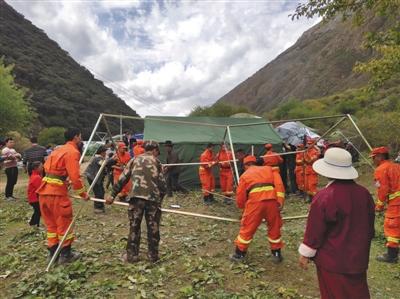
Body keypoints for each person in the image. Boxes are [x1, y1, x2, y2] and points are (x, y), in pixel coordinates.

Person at [298, 148, 375, 299]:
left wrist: (305, 253)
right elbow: (369, 227)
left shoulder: (325, 196)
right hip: (358, 258)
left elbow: (315, 230)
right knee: (358, 292)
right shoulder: (364, 193)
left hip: (333, 260)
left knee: (333, 294)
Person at [106, 141, 166, 263]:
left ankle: (132, 256)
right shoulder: (157, 162)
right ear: (154, 150)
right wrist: (160, 200)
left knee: (134, 227)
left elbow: (123, 178)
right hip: (152, 200)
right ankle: (153, 256)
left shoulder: (134, 160)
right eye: (157, 152)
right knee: (153, 228)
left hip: (136, 199)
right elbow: (163, 185)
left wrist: (112, 195)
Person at [37, 128, 89, 264]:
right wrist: (83, 193)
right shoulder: (72, 152)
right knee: (63, 224)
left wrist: (62, 180)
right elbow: (75, 177)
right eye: (80, 136)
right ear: (76, 137)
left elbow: (48, 170)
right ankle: (66, 256)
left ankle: (53, 254)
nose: (81, 139)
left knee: (51, 225)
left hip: (44, 191)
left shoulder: (57, 150)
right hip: (57, 194)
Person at [231, 155, 285, 263]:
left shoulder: (245, 175)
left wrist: (242, 208)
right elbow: (279, 185)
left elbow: (240, 196)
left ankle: (239, 254)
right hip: (272, 201)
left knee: (248, 227)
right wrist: (280, 201)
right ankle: (277, 253)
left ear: (246, 165)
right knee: (274, 227)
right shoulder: (269, 169)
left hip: (255, 203)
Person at [371, 146, 400, 263]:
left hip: (396, 203)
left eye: (373, 157)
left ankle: (391, 256)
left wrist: (379, 205)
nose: (373, 160)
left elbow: (383, 189)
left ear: (380, 156)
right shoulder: (396, 166)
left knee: (392, 227)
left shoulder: (381, 169)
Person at [85, 146, 107, 213]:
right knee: (98, 192)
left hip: (95, 177)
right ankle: (97, 208)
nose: (105, 153)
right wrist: (111, 160)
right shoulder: (97, 158)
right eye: (105, 152)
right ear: (102, 152)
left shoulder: (99, 158)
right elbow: (103, 164)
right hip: (93, 177)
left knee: (101, 191)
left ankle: (101, 205)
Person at [27, 161, 43, 227]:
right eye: (41, 167)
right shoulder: (36, 177)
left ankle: (34, 224)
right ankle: (34, 224)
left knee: (38, 211)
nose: (42, 168)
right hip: (35, 199)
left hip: (33, 198)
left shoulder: (35, 176)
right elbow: (40, 188)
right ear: (36, 168)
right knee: (38, 211)